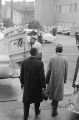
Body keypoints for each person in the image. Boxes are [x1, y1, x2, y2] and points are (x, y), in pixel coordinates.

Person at [20, 47, 46, 120]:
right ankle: (37, 111)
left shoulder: (24, 62)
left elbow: (21, 74)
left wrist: (22, 83)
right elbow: (42, 76)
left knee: (26, 102)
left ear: (30, 53)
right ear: (36, 53)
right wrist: (44, 86)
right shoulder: (40, 63)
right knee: (37, 100)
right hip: (37, 86)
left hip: (27, 86)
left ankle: (25, 116)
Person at [46, 44, 68, 117]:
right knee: (57, 95)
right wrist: (64, 80)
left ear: (56, 50)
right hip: (60, 79)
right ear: (62, 50)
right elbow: (66, 70)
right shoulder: (65, 59)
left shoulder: (52, 58)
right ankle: (54, 111)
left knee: (53, 93)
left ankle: (54, 110)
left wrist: (47, 80)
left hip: (52, 79)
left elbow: (48, 70)